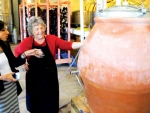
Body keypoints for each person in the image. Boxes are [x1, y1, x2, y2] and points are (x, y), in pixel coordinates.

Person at [14, 16, 83, 113]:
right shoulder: (28, 41)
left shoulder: (52, 39)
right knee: (35, 104)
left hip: (50, 78)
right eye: (36, 29)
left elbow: (68, 45)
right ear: (31, 31)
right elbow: (17, 53)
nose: (40, 31)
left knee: (50, 103)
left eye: (41, 28)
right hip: (34, 80)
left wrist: (83, 43)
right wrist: (24, 63)